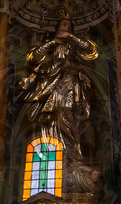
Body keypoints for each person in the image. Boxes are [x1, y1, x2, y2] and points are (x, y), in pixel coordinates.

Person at [19, 18, 99, 164]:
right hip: (50, 86)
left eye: (69, 24)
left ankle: (71, 155)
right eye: (62, 23)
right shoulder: (50, 44)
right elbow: (34, 57)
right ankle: (51, 151)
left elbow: (91, 51)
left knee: (69, 113)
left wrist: (72, 38)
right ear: (56, 28)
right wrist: (54, 42)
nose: (65, 25)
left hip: (71, 84)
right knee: (49, 119)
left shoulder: (75, 45)